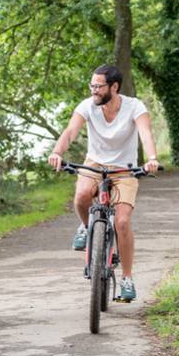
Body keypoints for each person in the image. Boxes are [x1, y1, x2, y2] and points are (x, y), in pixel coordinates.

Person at [48, 64, 159, 301]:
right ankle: (87, 226)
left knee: (122, 222)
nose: (93, 91)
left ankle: (127, 279)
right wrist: (57, 152)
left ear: (114, 87)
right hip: (95, 165)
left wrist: (151, 159)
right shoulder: (87, 106)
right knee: (81, 198)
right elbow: (69, 132)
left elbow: (145, 134)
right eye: (92, 85)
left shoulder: (134, 107)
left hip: (124, 169)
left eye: (98, 86)